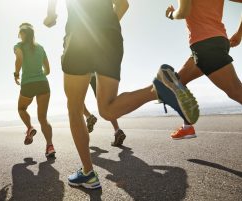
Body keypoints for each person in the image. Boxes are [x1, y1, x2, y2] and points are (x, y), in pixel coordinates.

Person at [44, 0, 198, 189]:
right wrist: (105, 28)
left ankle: (88, 173)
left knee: (74, 108)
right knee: (108, 109)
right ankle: (157, 89)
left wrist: (51, 15)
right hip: (111, 36)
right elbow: (123, 5)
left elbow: (51, 14)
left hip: (79, 36)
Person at [165, 0, 242, 140]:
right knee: (177, 83)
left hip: (205, 44)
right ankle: (187, 127)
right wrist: (239, 34)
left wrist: (171, 14)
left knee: (236, 91)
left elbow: (183, 12)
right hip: (216, 41)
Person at [14, 23, 56, 157]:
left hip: (28, 84)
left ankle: (29, 127)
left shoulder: (19, 46)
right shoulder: (40, 48)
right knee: (43, 118)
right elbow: (48, 70)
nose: (19, 35)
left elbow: (19, 58)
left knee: (21, 108)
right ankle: (50, 146)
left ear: (23, 34)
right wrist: (39, 74)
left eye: (20, 33)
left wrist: (16, 73)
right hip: (43, 83)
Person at [83, 74, 126, 147]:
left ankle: (88, 116)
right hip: (94, 70)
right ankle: (117, 130)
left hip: (80, 70)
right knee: (104, 102)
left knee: (75, 98)